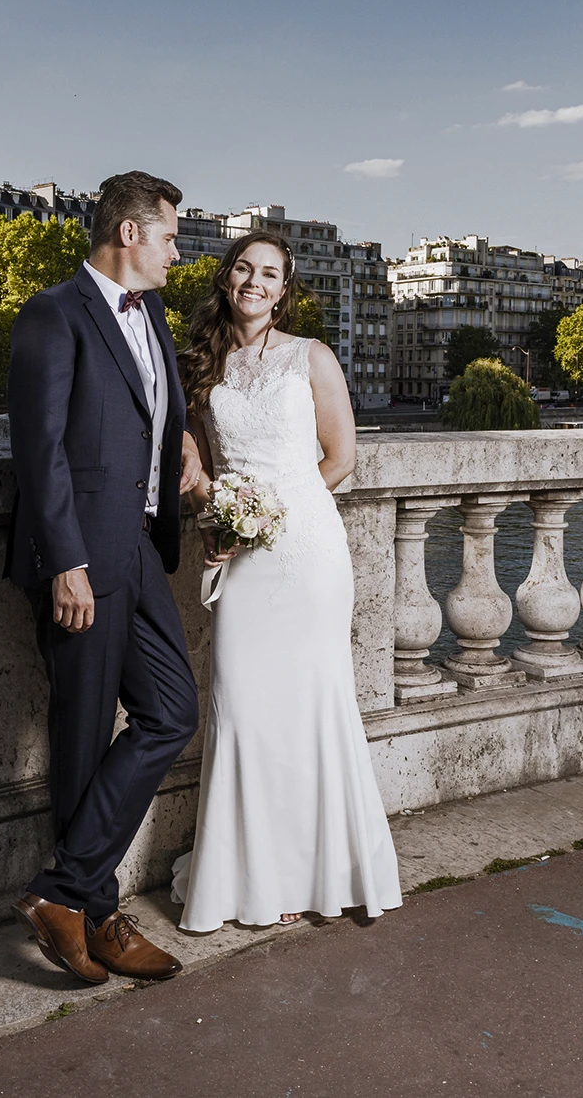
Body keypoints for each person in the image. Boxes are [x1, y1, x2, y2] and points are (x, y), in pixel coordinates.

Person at [5, 170, 205, 986]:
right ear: (129, 233)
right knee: (83, 742)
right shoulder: (52, 315)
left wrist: (183, 446)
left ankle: (66, 893)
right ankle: (98, 916)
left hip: (142, 551)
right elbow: (39, 451)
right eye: (170, 236)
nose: (176, 252)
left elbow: (155, 414)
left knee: (172, 711)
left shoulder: (152, 313)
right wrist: (68, 564)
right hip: (83, 560)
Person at [171, 231, 402, 931]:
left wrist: (279, 512)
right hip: (240, 553)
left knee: (313, 705)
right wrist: (225, 514)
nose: (254, 281)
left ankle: (322, 875)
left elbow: (341, 458)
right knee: (241, 706)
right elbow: (196, 469)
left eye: (269, 273)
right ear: (227, 279)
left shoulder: (312, 356)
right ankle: (252, 879)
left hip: (306, 553)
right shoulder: (201, 366)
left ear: (284, 287)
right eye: (244, 268)